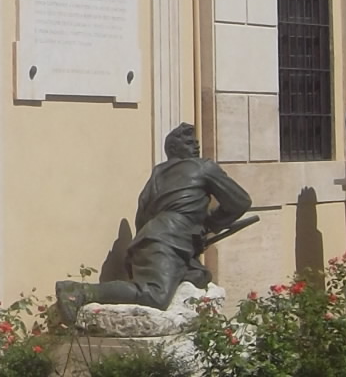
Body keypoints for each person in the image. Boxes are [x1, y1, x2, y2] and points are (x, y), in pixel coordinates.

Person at [56, 123, 254, 317]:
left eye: (195, 142)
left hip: (156, 238)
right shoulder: (204, 167)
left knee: (199, 276)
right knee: (155, 294)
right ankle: (80, 291)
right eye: (189, 143)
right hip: (167, 241)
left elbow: (142, 215)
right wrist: (209, 225)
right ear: (173, 149)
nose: (196, 146)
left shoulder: (157, 174)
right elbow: (240, 202)